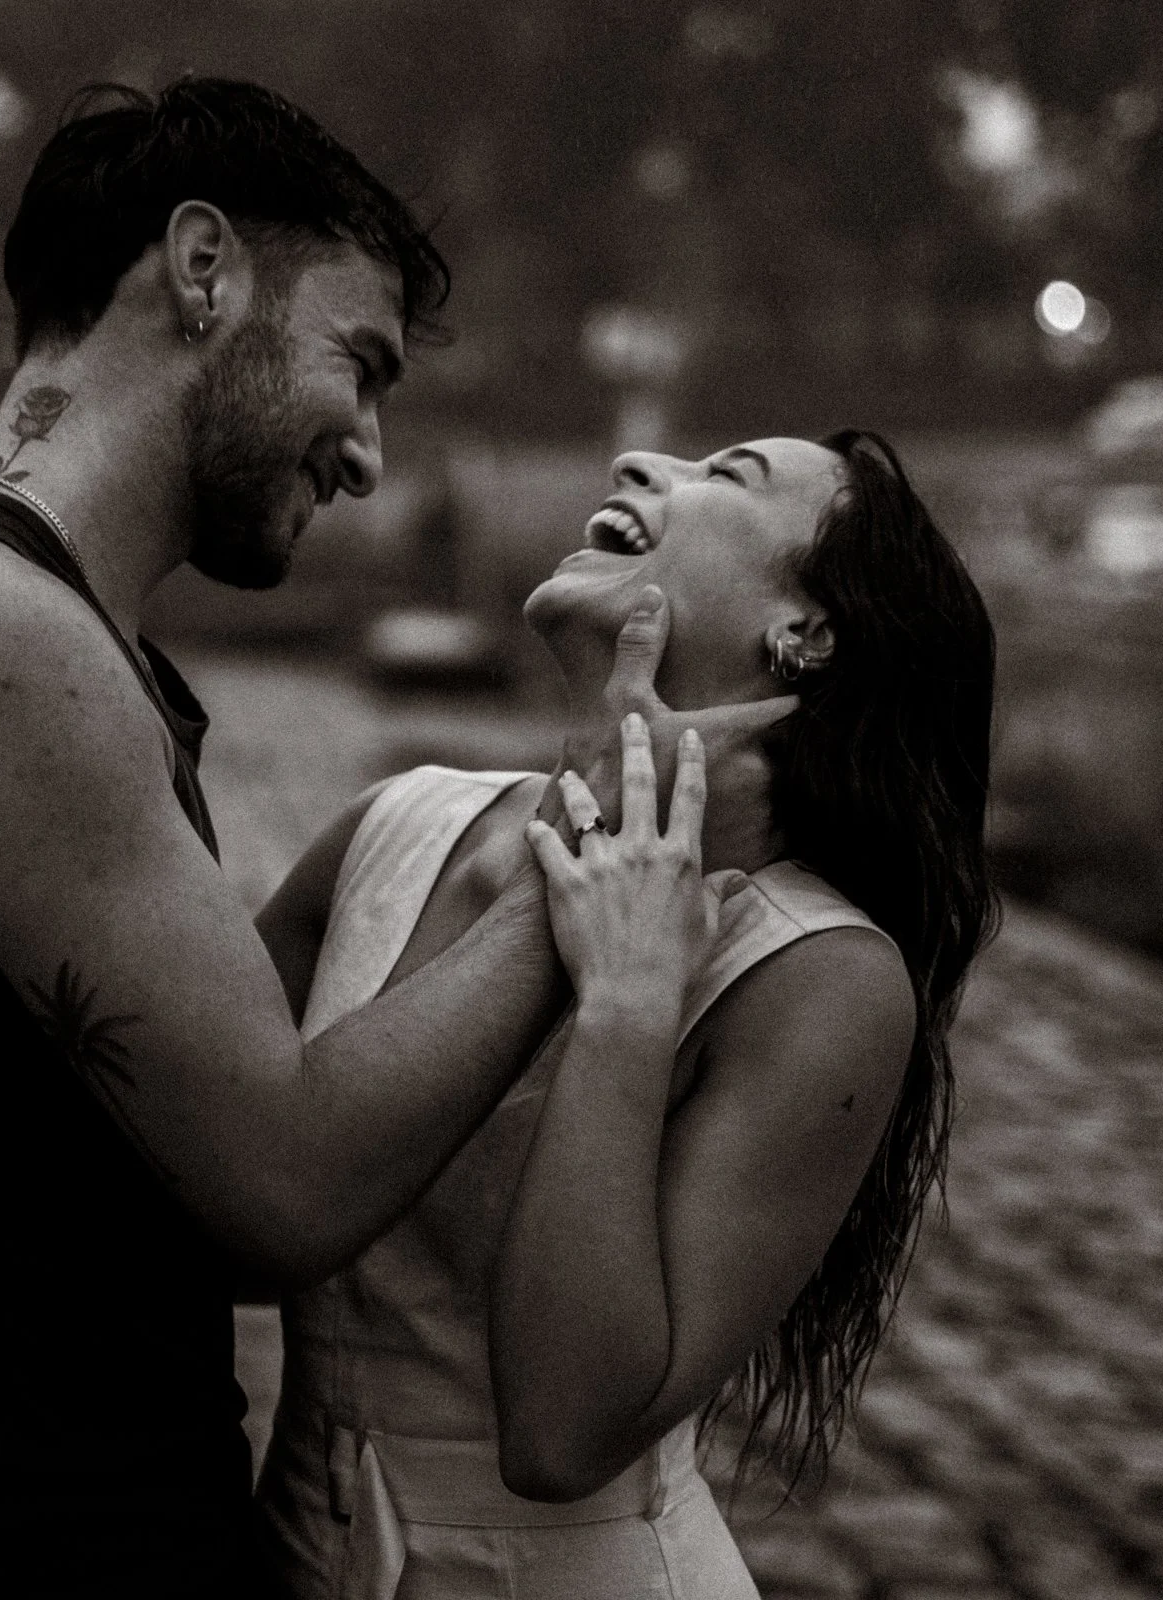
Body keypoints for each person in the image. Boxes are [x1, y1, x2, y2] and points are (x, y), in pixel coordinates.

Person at [0, 79, 787, 1596]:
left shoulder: (55, 639)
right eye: (356, 366)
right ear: (203, 267)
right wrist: (613, 834)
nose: (365, 454)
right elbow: (281, 1187)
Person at [254, 431, 1000, 1599]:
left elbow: (561, 1431)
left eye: (730, 476)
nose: (645, 458)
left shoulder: (821, 976)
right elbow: (218, 1198)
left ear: (802, 635)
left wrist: (630, 1000)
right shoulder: (392, 826)